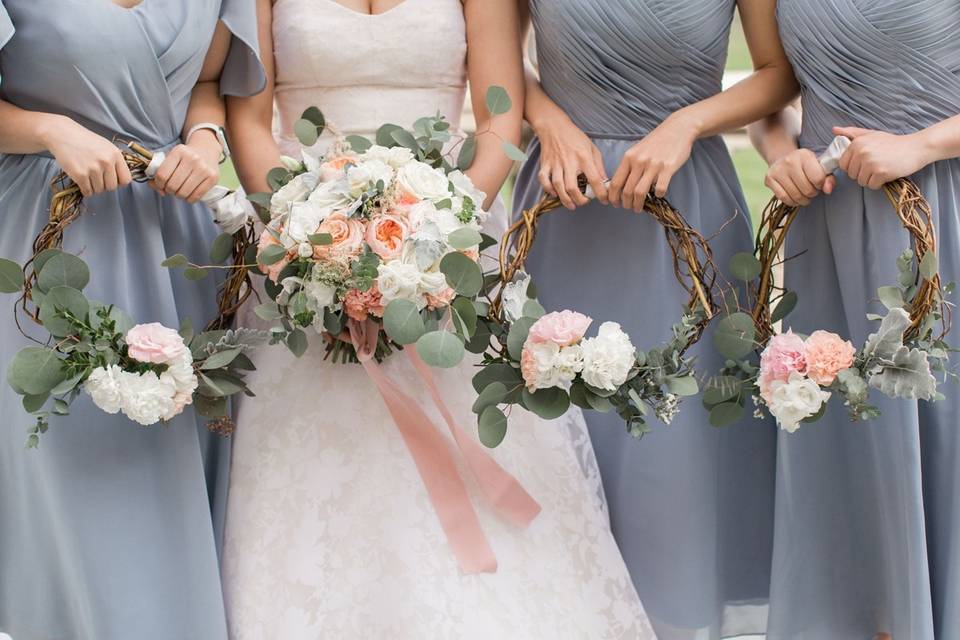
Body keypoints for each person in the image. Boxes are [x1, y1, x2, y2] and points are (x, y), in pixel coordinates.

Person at [219, 1, 656, 638]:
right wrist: (302, 234)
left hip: (452, 234)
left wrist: (444, 234)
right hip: (302, 239)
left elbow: (499, 114)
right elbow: (250, 121)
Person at [513, 1, 796, 636]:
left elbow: (779, 72)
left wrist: (688, 124)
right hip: (564, 202)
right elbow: (494, 67)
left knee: (679, 437)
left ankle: (675, 616)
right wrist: (550, 122)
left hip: (688, 199)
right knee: (558, 426)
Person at [0, 1, 264, 638]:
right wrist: (49, 131)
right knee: (74, 471)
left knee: (173, 468)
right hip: (51, 239)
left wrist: (205, 138)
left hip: (178, 241)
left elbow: (206, 84)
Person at [749, 1, 960, 637]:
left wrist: (920, 143)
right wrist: (783, 151)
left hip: (944, 216)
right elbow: (775, 98)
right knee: (846, 443)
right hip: (830, 228)